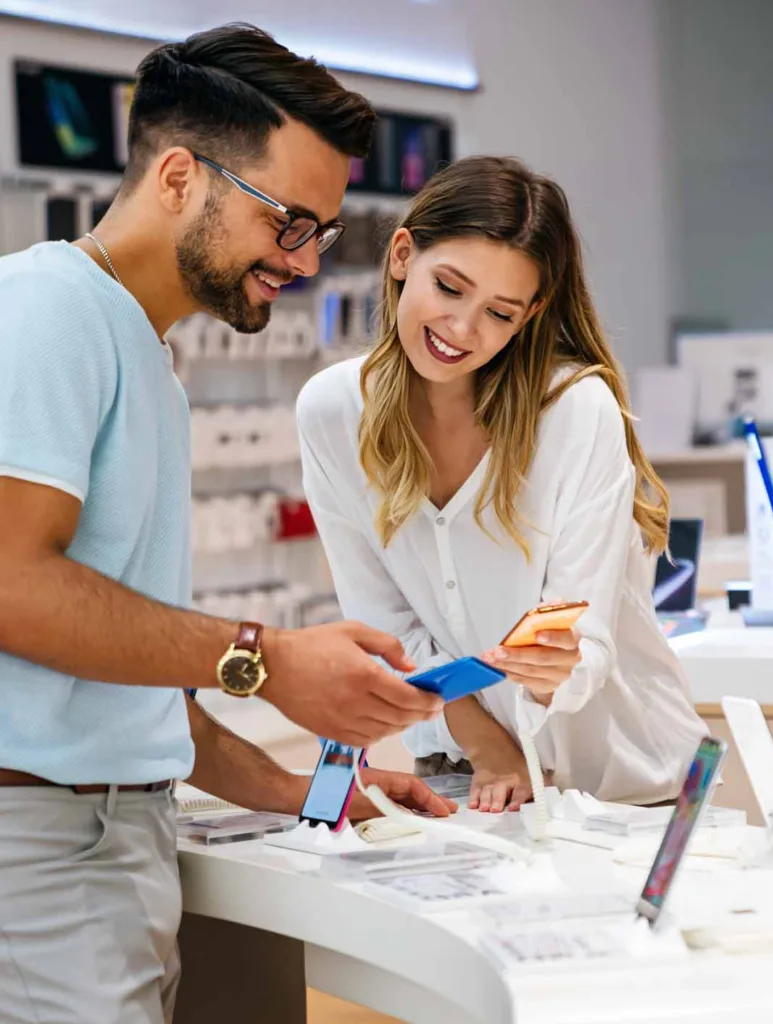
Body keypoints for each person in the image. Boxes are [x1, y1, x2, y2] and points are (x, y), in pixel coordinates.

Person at [0, 25, 455, 1024]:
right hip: (40, 854)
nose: (301, 260)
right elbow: (12, 586)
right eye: (288, 221)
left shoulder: (143, 355)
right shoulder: (47, 310)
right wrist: (267, 656)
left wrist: (307, 789)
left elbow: (139, 690)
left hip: (107, 842)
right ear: (176, 177)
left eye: (321, 233)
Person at [296, 155, 707, 815]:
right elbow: (383, 628)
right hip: (461, 774)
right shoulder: (331, 413)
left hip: (622, 787)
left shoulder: (575, 410)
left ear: (531, 313)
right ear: (402, 255)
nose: (462, 329)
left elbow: (587, 644)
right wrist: (487, 746)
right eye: (449, 288)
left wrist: (553, 670)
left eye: (499, 312)